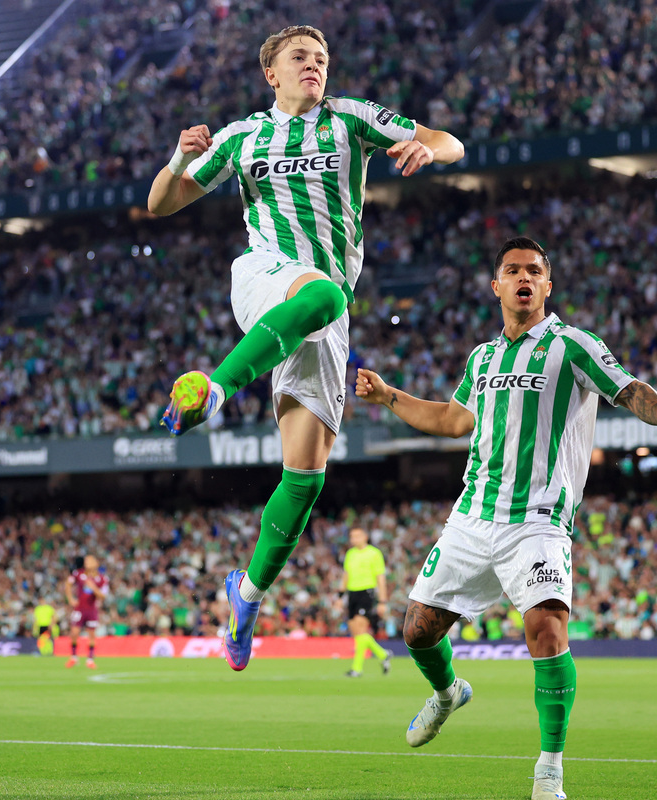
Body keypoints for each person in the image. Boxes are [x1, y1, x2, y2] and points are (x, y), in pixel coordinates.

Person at [147, 24, 464, 672]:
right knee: (324, 294)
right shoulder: (241, 138)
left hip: (322, 315)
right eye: (300, 57)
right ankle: (215, 391)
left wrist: (429, 149)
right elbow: (161, 203)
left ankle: (249, 593)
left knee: (307, 476)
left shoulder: (350, 120)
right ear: (273, 73)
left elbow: (446, 140)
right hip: (266, 277)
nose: (314, 65)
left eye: (322, 56)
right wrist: (180, 159)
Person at [355, 237, 657, 800]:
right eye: (512, 271)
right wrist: (390, 396)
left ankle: (549, 773)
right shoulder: (482, 359)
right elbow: (449, 419)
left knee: (547, 629)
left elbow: (627, 388)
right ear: (497, 286)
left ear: (548, 286)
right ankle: (446, 695)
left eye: (534, 270)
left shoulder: (572, 345)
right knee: (416, 630)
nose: (523, 278)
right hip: (472, 516)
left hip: (537, 520)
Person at [342, 526, 392, 677]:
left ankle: (357, 669)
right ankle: (383, 654)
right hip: (352, 593)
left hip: (366, 593)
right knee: (356, 632)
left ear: (365, 536)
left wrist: (382, 601)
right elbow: (345, 575)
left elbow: (380, 578)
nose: (354, 539)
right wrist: (339, 596)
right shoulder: (350, 553)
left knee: (361, 630)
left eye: (357, 536)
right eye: (352, 536)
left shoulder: (374, 553)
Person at [64, 556, 109, 668]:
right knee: (74, 633)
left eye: (90, 560)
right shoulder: (78, 574)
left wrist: (93, 587)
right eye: (86, 561)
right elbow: (68, 584)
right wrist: (70, 598)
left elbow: (103, 596)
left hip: (92, 610)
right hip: (79, 609)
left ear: (96, 563)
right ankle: (74, 657)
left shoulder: (102, 579)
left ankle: (90, 659)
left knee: (92, 635)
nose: (87, 562)